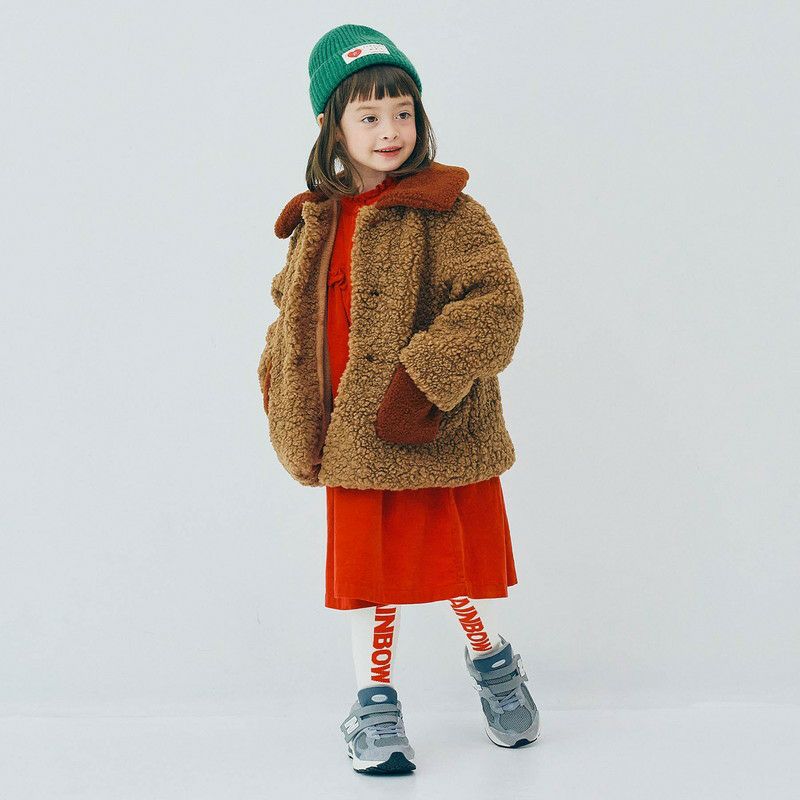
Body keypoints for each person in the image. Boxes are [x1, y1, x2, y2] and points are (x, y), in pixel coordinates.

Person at [257, 23, 540, 775]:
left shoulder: (447, 211)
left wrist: (423, 382)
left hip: (430, 431)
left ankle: (494, 664)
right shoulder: (315, 221)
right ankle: (374, 704)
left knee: (454, 571)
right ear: (332, 126)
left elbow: (495, 303)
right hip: (349, 440)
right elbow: (289, 313)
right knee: (368, 581)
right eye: (370, 115)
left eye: (403, 112)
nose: (390, 131)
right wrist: (277, 380)